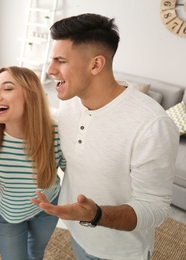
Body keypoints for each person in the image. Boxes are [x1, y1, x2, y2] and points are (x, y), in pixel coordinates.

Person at [30, 13, 179, 259]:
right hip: (78, 234)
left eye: (61, 60)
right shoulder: (70, 102)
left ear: (96, 64)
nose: (50, 69)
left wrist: (96, 215)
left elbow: (156, 207)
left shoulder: (152, 125)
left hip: (122, 250)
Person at [0, 66, 66, 260]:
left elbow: (76, 171)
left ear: (31, 95)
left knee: (36, 254)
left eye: (7, 88)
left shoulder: (56, 133)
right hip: (8, 215)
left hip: (47, 208)